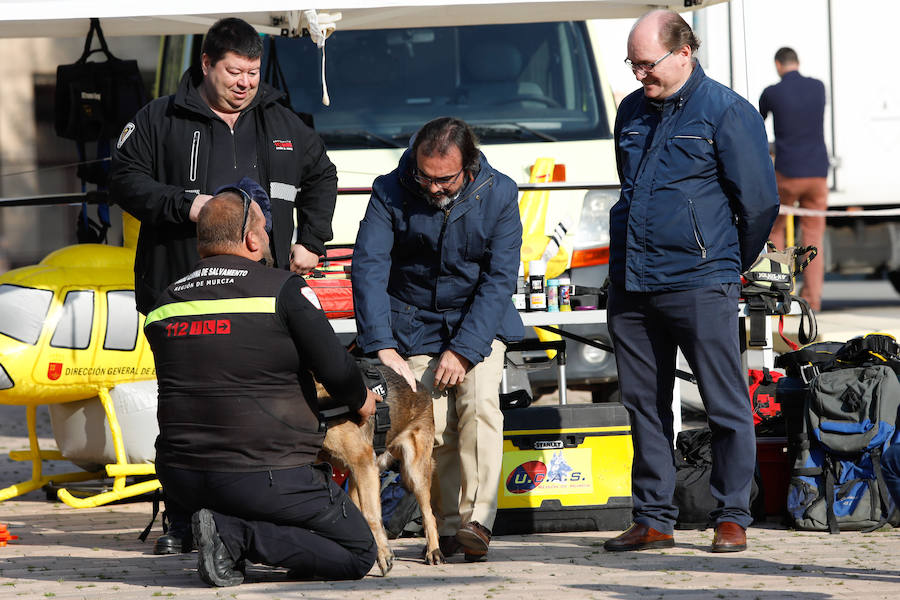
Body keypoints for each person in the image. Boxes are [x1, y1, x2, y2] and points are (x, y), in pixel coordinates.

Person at [110, 17, 338, 554]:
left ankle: (259, 511)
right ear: (207, 64)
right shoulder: (159, 118)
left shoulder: (281, 121)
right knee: (186, 412)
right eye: (234, 72)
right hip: (181, 297)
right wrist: (184, 205)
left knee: (269, 405)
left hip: (264, 300)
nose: (245, 83)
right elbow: (123, 177)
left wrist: (313, 239)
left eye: (253, 73)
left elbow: (322, 175)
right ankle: (182, 519)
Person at [603, 10, 779, 554]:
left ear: (684, 52)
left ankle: (731, 516)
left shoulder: (728, 112)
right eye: (632, 65)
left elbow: (759, 204)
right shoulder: (631, 110)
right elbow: (631, 188)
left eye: (647, 65)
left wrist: (723, 263)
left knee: (725, 403)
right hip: (633, 285)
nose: (639, 76)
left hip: (702, 282)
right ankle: (654, 518)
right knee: (644, 404)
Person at [142, 187, 379, 587]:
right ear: (252, 239)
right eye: (266, 231)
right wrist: (362, 400)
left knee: (256, 500)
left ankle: (223, 532)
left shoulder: (165, 302)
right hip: (263, 473)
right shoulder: (284, 289)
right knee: (358, 551)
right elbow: (337, 370)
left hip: (180, 477)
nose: (269, 238)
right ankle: (234, 535)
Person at [351, 117, 523, 562]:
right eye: (424, 177)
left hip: (480, 320)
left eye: (444, 179)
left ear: (468, 166)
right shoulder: (389, 189)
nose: (433, 188)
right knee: (435, 424)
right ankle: (445, 529)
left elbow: (499, 279)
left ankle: (477, 521)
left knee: (480, 405)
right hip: (412, 325)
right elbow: (369, 267)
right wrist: (381, 344)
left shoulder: (500, 193)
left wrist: (464, 350)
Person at [760, 47, 830, 311]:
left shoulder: (772, 93)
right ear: (797, 63)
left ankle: (778, 293)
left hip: (787, 173)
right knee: (813, 236)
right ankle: (813, 300)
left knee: (775, 231)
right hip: (817, 174)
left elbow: (758, 123)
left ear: (778, 65)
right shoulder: (818, 87)